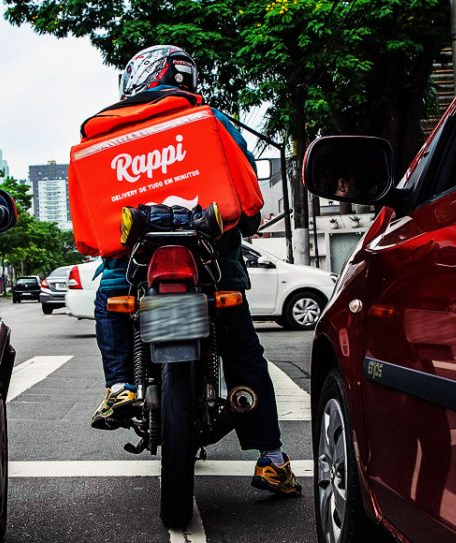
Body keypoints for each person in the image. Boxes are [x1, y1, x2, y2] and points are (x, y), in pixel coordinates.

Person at [85, 45, 300, 497]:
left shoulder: (112, 131)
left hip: (133, 263)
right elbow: (245, 189)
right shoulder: (210, 120)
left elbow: (95, 205)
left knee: (109, 297)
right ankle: (272, 458)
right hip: (213, 260)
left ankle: (120, 384)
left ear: (139, 78)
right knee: (243, 352)